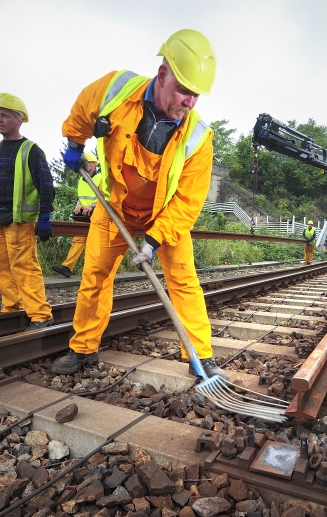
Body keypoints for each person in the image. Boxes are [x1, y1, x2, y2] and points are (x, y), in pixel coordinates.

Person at [51, 29, 225, 379]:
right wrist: (74, 142)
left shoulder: (198, 139)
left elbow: (188, 203)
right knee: (95, 276)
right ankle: (83, 348)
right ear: (162, 75)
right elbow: (85, 108)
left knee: (183, 279)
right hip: (115, 209)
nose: (188, 101)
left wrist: (155, 238)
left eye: (195, 94)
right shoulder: (116, 89)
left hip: (163, 215)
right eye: (183, 89)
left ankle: (199, 357)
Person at [0, 93, 54, 331]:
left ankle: (40, 314)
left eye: (4, 115)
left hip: (19, 220)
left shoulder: (31, 150)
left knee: (24, 267)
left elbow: (46, 185)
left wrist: (44, 216)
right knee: (0, 267)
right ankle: (10, 308)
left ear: (19, 119)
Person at [51, 153, 107, 277]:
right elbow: (81, 197)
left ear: (93, 164)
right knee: (78, 239)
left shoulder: (100, 179)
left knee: (96, 243)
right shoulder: (82, 180)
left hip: (98, 215)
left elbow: (105, 199)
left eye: (86, 163)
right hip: (84, 216)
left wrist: (91, 206)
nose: (84, 165)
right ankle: (67, 267)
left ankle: (95, 270)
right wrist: (78, 205)